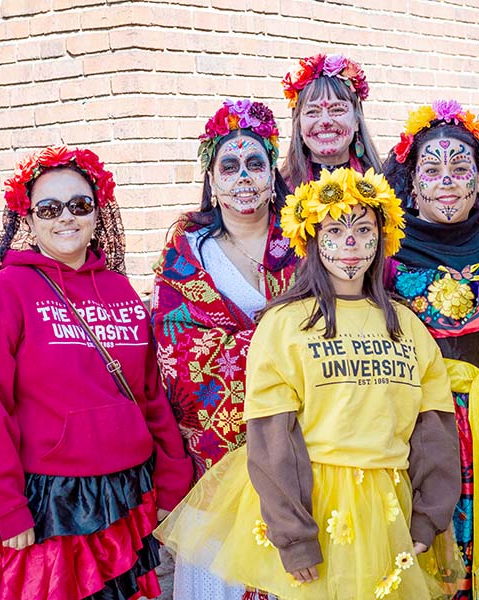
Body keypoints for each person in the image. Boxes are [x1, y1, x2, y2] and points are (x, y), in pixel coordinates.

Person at [157, 167, 463, 599]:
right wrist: (294, 534)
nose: (350, 243)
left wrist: (429, 515)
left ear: (384, 237)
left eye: (363, 229)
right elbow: (273, 437)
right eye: (335, 230)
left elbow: (433, 429)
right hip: (317, 509)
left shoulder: (407, 327)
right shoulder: (286, 325)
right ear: (313, 241)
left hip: (387, 511)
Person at [0, 145, 193, 600]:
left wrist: (172, 480)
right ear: (28, 218)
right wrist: (7, 507)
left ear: (96, 213)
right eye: (48, 208)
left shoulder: (120, 289)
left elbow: (149, 395)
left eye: (79, 205)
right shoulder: (5, 293)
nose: (65, 218)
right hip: (49, 502)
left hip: (126, 493)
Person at [383, 100, 479, 600]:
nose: (447, 180)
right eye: (432, 169)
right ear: (412, 183)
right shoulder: (385, 254)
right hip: (424, 423)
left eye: (460, 167)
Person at [152, 98, 296, 599]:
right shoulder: (186, 255)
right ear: (211, 180)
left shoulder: (304, 243)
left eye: (255, 164)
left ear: (273, 172)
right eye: (229, 166)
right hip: (213, 455)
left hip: (302, 444)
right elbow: (173, 352)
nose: (244, 177)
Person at [280, 54, 382, 189]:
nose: (325, 121)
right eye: (312, 112)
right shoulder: (278, 193)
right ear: (298, 125)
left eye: (337, 110)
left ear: (356, 121)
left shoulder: (384, 186)